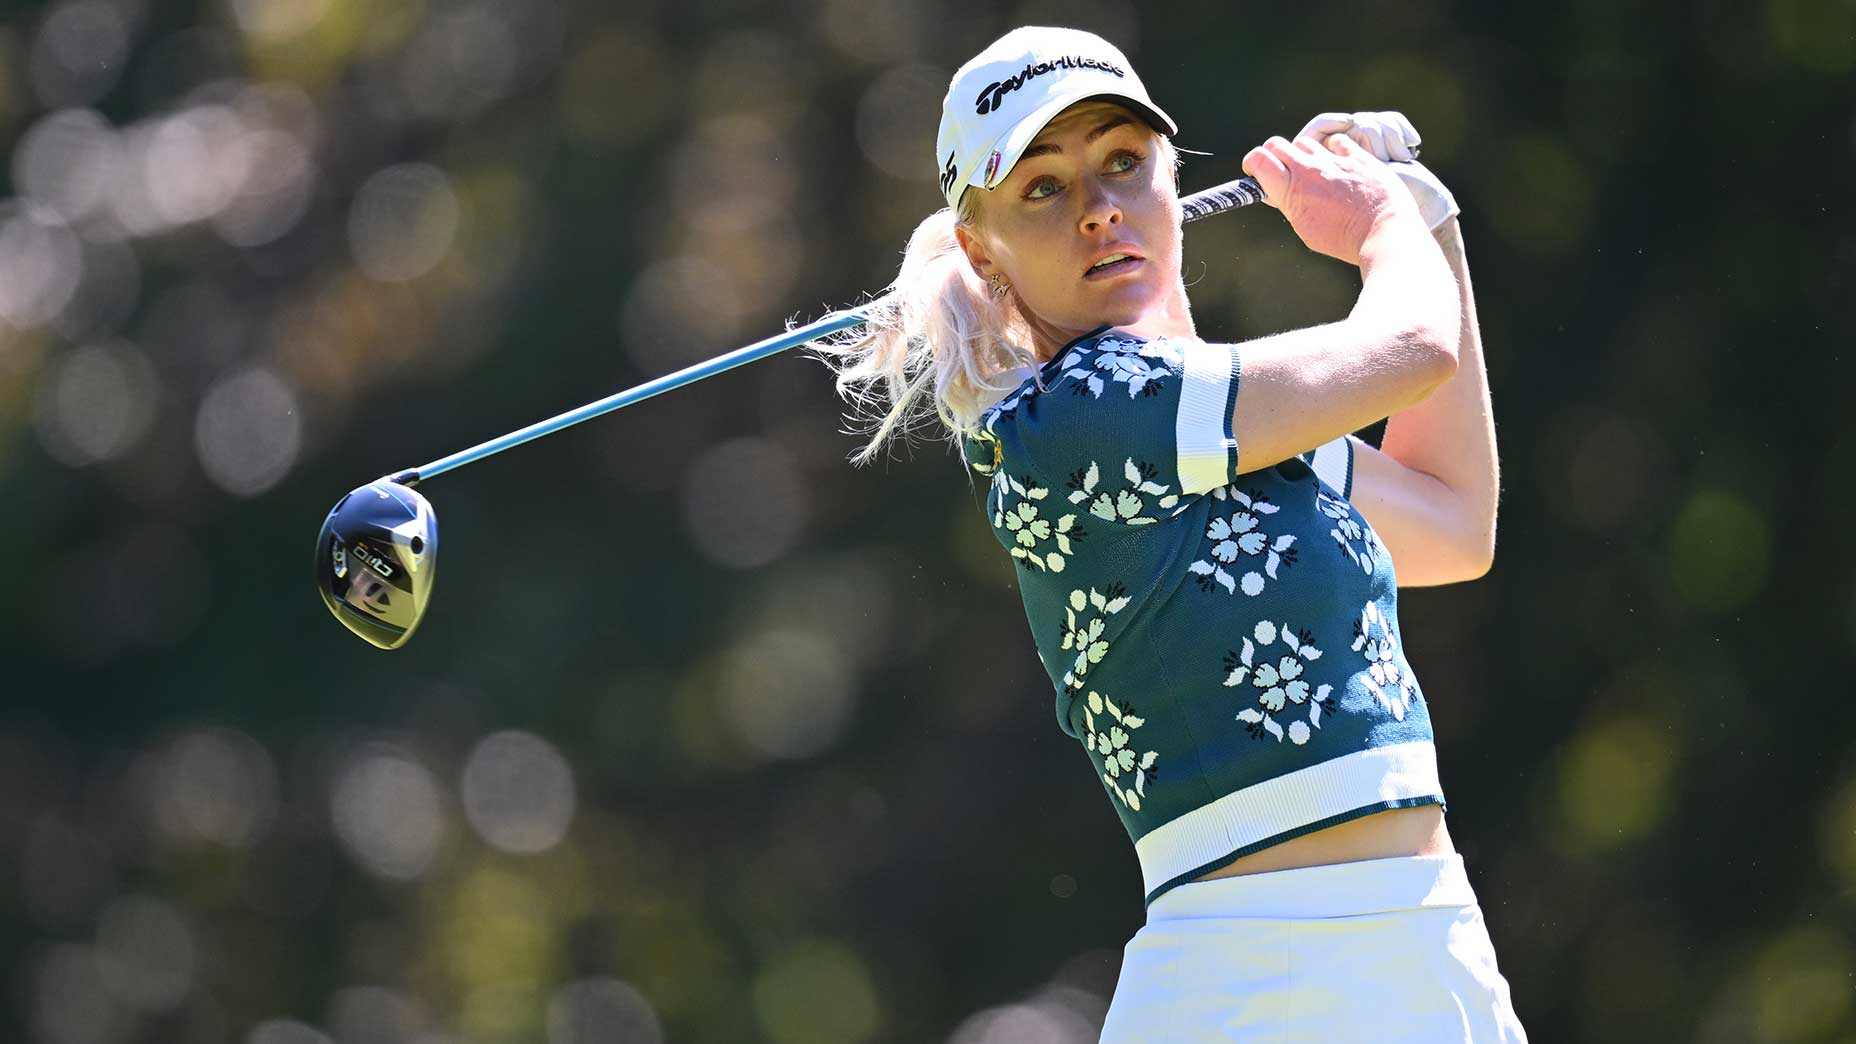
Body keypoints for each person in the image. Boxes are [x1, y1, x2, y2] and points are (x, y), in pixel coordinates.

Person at [810, 25, 1521, 1042]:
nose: (1098, 209)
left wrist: (1426, 216)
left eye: (1122, 162)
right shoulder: (1087, 413)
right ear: (981, 249)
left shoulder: (1215, 425)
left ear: (1169, 176)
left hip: (1425, 948)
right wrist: (1380, 224)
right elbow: (1412, 346)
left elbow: (1451, 523)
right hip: (1252, 985)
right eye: (1043, 188)